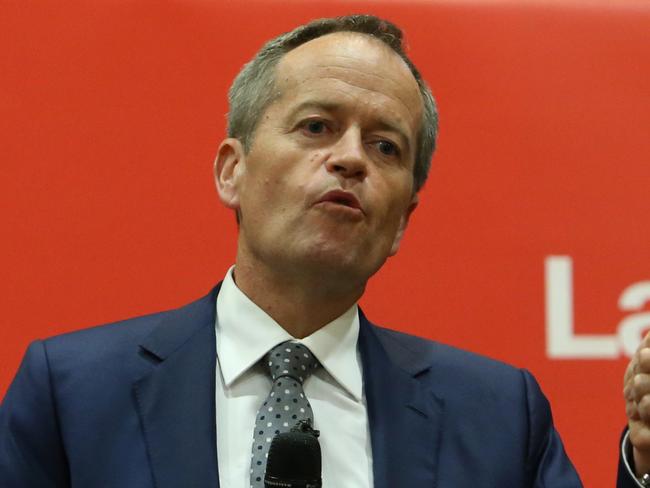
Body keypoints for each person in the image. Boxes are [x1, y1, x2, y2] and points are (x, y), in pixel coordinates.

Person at [3, 13, 624, 487]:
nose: (351, 158)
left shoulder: (497, 417)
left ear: (403, 220)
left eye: (386, 147)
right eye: (317, 127)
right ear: (232, 171)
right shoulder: (72, 395)